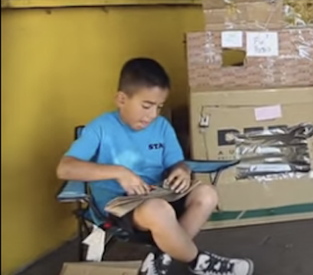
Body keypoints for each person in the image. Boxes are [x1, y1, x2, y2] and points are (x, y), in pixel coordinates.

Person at [56, 57, 254, 275]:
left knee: (207, 194)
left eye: (158, 107)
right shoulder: (100, 128)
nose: (152, 115)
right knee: (159, 210)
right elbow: (65, 168)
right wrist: (120, 172)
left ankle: (162, 258)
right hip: (120, 207)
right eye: (146, 106)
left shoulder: (161, 126)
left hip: (160, 195)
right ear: (121, 99)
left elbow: (176, 162)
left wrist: (182, 170)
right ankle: (200, 262)